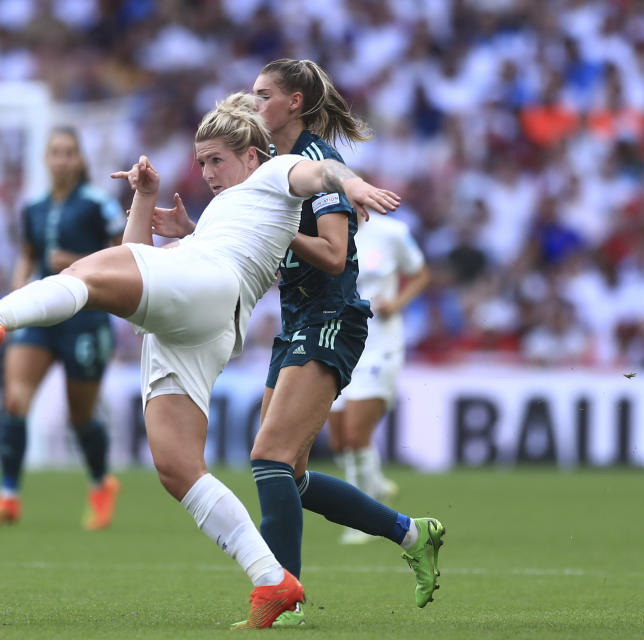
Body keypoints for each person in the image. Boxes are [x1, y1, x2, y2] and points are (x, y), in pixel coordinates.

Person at [0, 92, 400, 628]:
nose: (209, 173)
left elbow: (320, 171)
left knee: (85, 274)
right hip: (204, 321)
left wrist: (350, 183)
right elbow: (135, 260)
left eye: (218, 160)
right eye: (202, 162)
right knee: (178, 468)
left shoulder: (276, 169)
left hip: (209, 286)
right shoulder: (225, 213)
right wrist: (143, 198)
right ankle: (272, 580)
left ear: (252, 157)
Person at [150, 60, 443, 626]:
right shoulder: (270, 169)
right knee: (293, 476)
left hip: (332, 314)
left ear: (296, 102)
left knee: (268, 458)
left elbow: (334, 255)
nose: (253, 102)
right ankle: (413, 533)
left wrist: (287, 227)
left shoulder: (317, 163)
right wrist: (193, 233)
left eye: (264, 95)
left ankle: (285, 602)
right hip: (297, 320)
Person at [0, 126, 124, 531]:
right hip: (41, 319)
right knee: (14, 400)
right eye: (54, 152)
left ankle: (101, 484)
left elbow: (122, 256)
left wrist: (74, 260)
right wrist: (19, 284)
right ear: (45, 159)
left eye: (68, 152)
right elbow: (27, 255)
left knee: (81, 417)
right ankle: (8, 497)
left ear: (79, 159)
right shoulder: (33, 208)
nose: (61, 159)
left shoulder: (99, 204)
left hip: (86, 319)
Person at [330, 209, 430, 545]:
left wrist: (398, 302)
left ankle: (360, 519)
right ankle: (373, 485)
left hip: (379, 345)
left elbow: (420, 274)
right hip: (340, 344)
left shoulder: (392, 232)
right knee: (339, 440)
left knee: (358, 434)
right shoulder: (328, 229)